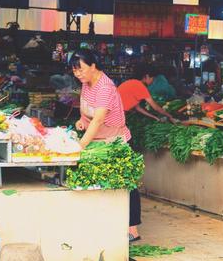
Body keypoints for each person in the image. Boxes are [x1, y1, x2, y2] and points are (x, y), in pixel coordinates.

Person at [117, 65, 178, 242]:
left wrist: (155, 117)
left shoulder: (131, 84)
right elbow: (153, 106)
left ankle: (132, 229)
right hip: (118, 127)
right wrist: (168, 116)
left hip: (119, 129)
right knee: (129, 183)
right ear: (147, 76)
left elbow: (139, 108)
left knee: (129, 184)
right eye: (153, 79)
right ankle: (130, 228)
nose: (153, 83)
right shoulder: (138, 85)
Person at [70, 49, 130, 149]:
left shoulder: (105, 88)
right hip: (95, 140)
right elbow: (88, 106)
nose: (77, 74)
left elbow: (98, 120)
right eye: (74, 71)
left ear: (93, 67)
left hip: (111, 143)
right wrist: (82, 121)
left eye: (81, 70)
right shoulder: (86, 81)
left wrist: (79, 147)